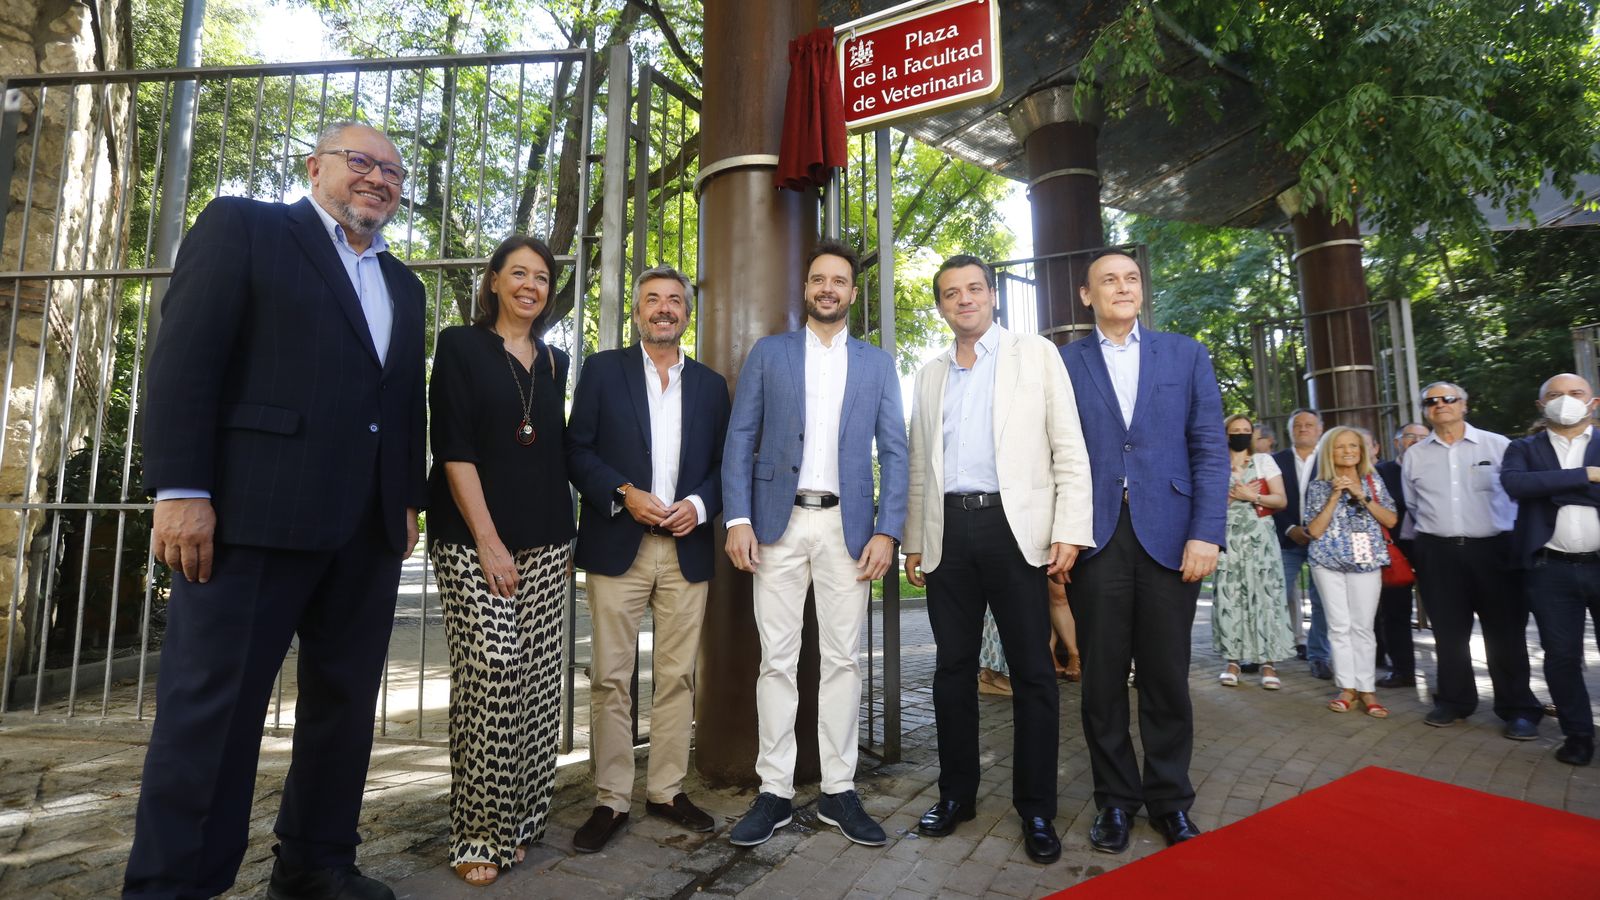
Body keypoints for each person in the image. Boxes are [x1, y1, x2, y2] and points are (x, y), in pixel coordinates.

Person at [127, 121, 425, 900]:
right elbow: (186, 360)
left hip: (363, 533)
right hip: (248, 521)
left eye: (393, 171)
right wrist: (181, 491)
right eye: (360, 161)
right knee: (212, 716)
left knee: (344, 708)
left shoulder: (405, 285)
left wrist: (405, 501)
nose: (378, 179)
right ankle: (173, 884)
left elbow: (400, 402)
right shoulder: (245, 227)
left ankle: (315, 863)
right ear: (314, 167)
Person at [902, 254, 1092, 865]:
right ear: (940, 305)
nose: (965, 300)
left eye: (975, 289)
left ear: (992, 297)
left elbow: (1068, 444)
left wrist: (1069, 527)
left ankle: (1036, 808)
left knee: (1033, 672)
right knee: (952, 671)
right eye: (951, 293)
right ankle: (956, 795)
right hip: (947, 532)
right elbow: (917, 464)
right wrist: (913, 538)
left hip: (1017, 530)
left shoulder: (1034, 354)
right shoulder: (930, 375)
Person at [721, 239, 908, 848]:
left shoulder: (877, 364)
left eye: (840, 280)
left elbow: (896, 450)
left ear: (853, 293)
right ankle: (774, 791)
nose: (829, 288)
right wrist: (737, 519)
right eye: (819, 279)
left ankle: (838, 789)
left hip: (847, 529)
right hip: (776, 525)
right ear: (806, 289)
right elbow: (740, 435)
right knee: (776, 660)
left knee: (843, 661)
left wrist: (888, 528)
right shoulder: (770, 354)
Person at [1059, 250, 1228, 854]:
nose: (1122, 287)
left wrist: (1207, 532)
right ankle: (1115, 802)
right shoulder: (1063, 361)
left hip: (1172, 537)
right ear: (1087, 295)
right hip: (1096, 537)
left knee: (1165, 677)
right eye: (1109, 280)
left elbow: (1210, 447)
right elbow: (1050, 451)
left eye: (1131, 278)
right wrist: (1059, 532)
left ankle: (1169, 800)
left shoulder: (1185, 354)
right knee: (1101, 680)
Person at [426, 235, 575, 886]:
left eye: (541, 277)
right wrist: (488, 540)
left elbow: (552, 454)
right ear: (492, 282)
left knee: (539, 683)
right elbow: (454, 447)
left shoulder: (556, 361)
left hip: (547, 540)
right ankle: (477, 831)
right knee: (492, 671)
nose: (530, 286)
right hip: (470, 539)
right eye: (518, 273)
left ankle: (519, 820)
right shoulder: (459, 348)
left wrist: (568, 539)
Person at [566, 266, 731, 850]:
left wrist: (699, 502)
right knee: (611, 679)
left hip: (685, 551)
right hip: (619, 547)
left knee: (677, 677)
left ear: (687, 312)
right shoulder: (603, 371)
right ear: (637, 312)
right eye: (652, 300)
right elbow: (576, 450)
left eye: (674, 301)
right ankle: (610, 799)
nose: (664, 308)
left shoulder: (711, 386)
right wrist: (622, 494)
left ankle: (665, 791)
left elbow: (723, 465)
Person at [1402, 381, 1543, 739]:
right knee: (1449, 632)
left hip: (1494, 549)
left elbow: (1519, 497)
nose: (1440, 405)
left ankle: (1519, 709)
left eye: (1448, 399)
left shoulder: (1498, 446)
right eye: (1431, 401)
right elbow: (1414, 506)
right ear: (1424, 410)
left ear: (1464, 405)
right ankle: (1454, 700)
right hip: (1438, 551)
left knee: (1506, 633)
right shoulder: (1415, 455)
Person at [1500, 374, 1600, 766]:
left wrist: (1551, 487)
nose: (1566, 400)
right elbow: (1517, 485)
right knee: (1561, 656)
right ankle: (1578, 735)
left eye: (1575, 393)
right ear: (1542, 406)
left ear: (1593, 402)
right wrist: (1587, 476)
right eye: (1555, 395)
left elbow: (1537, 487)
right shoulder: (1523, 447)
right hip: (1550, 570)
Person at [1303, 426, 1399, 719]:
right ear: (1329, 452)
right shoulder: (1319, 484)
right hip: (1327, 562)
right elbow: (1315, 531)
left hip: (1365, 561)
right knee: (1339, 626)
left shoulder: (1373, 481)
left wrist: (1362, 496)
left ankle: (1367, 688)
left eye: (1354, 446)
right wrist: (1334, 497)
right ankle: (1347, 688)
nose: (1348, 451)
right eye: (1340, 447)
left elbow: (1392, 520)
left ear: (1362, 451)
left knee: (1362, 626)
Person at [1213, 414, 1292, 690]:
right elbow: (1206, 500)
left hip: (1260, 536)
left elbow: (1280, 499)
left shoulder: (1264, 461)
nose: (1241, 434)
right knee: (1229, 596)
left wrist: (1251, 496)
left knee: (1265, 595)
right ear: (1226, 434)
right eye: (1235, 430)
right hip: (1228, 535)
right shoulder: (1216, 463)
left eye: (1246, 430)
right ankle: (1232, 662)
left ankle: (1268, 664)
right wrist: (1231, 497)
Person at [1273, 408, 1332, 678]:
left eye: (1309, 424)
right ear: (1290, 431)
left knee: (1322, 601)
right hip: (1287, 540)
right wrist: (1290, 527)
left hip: (1325, 541)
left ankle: (1319, 655)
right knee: (1275, 595)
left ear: (1320, 429)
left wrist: (1317, 529)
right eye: (1298, 425)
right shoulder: (1275, 461)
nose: (1304, 428)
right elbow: (1269, 499)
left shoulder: (1331, 459)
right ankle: (1268, 653)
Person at [1374, 422, 1427, 688]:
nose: (1416, 441)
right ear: (1397, 442)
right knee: (1395, 612)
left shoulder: (1438, 468)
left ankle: (1453, 677)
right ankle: (1402, 670)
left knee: (1444, 613)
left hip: (1433, 549)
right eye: (1410, 436)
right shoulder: (1381, 472)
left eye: (1422, 437)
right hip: (1394, 551)